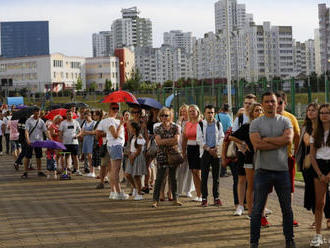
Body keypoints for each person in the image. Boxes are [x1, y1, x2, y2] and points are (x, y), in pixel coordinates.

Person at [249, 92, 295, 248]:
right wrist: (278, 142)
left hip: (282, 171)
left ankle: (289, 240)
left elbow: (288, 140)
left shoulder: (285, 121)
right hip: (262, 171)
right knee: (257, 209)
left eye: (273, 101)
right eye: (267, 101)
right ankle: (254, 242)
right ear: (262, 104)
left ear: (277, 103)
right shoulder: (256, 123)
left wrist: (267, 139)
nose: (270, 104)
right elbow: (258, 145)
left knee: (287, 209)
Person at [296, 103, 330, 230]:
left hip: (322, 162)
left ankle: (327, 217)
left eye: (313, 110)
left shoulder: (321, 129)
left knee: (326, 194)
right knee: (315, 195)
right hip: (310, 164)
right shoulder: (307, 127)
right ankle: (318, 220)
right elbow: (305, 143)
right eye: (308, 110)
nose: (310, 112)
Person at [229, 103, 263, 218]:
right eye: (256, 110)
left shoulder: (265, 126)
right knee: (249, 183)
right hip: (248, 157)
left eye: (260, 110)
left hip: (262, 158)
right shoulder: (247, 126)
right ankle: (246, 208)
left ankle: (259, 209)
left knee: (261, 184)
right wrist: (243, 143)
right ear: (252, 113)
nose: (259, 112)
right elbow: (232, 136)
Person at [275, 91, 300, 227]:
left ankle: (288, 217)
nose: (277, 106)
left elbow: (297, 135)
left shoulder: (291, 118)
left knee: (288, 189)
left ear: (285, 103)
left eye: (280, 103)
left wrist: (294, 153)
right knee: (265, 189)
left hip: (287, 159)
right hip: (269, 159)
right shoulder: (264, 117)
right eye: (274, 102)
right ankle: (261, 216)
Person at [152, 107, 182, 208]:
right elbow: (158, 142)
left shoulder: (175, 127)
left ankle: (175, 198)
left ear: (170, 116)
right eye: (162, 115)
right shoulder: (157, 128)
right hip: (161, 155)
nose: (164, 117)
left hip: (173, 155)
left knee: (173, 178)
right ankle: (155, 200)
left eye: (166, 115)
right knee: (159, 178)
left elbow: (176, 141)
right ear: (159, 117)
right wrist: (170, 140)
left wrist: (164, 141)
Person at [309, 103, 330, 247]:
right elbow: (312, 156)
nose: (324, 115)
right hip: (319, 168)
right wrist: (320, 173)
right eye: (322, 112)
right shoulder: (316, 132)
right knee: (319, 203)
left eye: (327, 113)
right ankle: (318, 235)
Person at [197, 105, 224, 207]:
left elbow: (222, 136)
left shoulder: (218, 124)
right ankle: (204, 198)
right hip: (205, 153)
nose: (210, 115)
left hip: (216, 153)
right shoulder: (200, 124)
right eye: (208, 112)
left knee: (216, 176)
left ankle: (216, 198)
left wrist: (216, 148)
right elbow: (199, 139)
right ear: (204, 113)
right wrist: (208, 149)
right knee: (204, 176)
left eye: (212, 112)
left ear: (214, 113)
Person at [106, 103, 129, 200]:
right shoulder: (110, 120)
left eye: (117, 108)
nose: (116, 110)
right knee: (115, 170)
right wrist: (120, 124)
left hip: (114, 145)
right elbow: (115, 135)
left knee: (113, 170)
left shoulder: (113, 120)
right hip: (115, 145)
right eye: (114, 108)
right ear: (110, 109)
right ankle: (118, 192)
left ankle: (113, 191)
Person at [21, 108, 51, 179]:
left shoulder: (41, 121)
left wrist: (50, 139)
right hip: (30, 141)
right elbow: (26, 131)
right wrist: (28, 140)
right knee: (27, 157)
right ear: (34, 112)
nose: (38, 113)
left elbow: (46, 131)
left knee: (39, 157)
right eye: (36, 112)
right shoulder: (29, 121)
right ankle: (25, 172)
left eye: (39, 112)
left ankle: (39, 171)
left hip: (39, 141)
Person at [182, 104, 202, 202]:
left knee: (198, 172)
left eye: (193, 111)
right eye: (190, 111)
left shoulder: (202, 123)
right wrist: (183, 150)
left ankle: (202, 194)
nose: (192, 113)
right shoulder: (187, 124)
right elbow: (184, 138)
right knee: (193, 171)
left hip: (199, 148)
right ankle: (198, 194)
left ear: (198, 112)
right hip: (190, 148)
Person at [125, 121, 147, 200]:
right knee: (127, 174)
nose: (129, 128)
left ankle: (139, 193)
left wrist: (133, 156)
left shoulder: (139, 136)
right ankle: (135, 188)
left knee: (137, 176)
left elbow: (139, 149)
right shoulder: (132, 136)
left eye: (130, 127)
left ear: (134, 129)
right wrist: (130, 155)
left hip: (137, 157)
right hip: (131, 155)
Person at [176, 104, 194, 198]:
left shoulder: (191, 122)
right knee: (180, 170)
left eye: (185, 111)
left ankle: (188, 190)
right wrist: (179, 121)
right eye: (181, 111)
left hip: (190, 147)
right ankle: (179, 190)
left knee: (190, 170)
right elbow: (177, 133)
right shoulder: (179, 122)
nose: (183, 113)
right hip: (180, 148)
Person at [58, 110, 82, 176]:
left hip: (74, 142)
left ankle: (77, 170)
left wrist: (77, 136)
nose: (69, 115)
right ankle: (67, 169)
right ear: (66, 115)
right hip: (65, 142)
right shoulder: (63, 123)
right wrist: (60, 143)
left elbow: (80, 131)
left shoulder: (76, 122)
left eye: (70, 114)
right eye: (68, 114)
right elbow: (60, 133)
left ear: (73, 115)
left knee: (75, 156)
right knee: (66, 156)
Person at [81, 110, 96, 177]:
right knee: (88, 157)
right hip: (86, 140)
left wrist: (86, 132)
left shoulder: (94, 123)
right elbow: (82, 132)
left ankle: (93, 172)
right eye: (85, 117)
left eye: (87, 117)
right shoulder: (85, 123)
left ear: (90, 116)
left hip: (92, 140)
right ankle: (91, 171)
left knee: (91, 156)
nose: (86, 118)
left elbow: (95, 132)